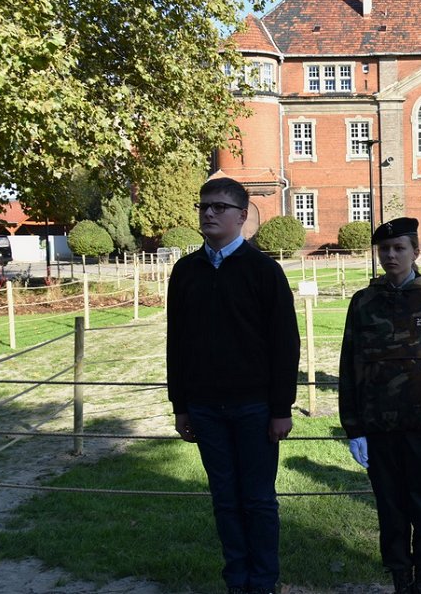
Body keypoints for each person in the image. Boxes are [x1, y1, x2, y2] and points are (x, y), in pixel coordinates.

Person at [166, 177, 300, 594]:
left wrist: (281, 408)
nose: (208, 213)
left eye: (219, 207)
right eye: (203, 205)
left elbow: (285, 344)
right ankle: (237, 581)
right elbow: (177, 344)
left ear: (242, 216)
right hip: (205, 408)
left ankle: (263, 582)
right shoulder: (185, 271)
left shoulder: (264, 271)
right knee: (225, 500)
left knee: (258, 500)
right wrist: (181, 406)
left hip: (255, 409)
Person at [339, 217, 421, 594]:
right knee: (390, 509)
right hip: (378, 428)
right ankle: (401, 578)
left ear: (416, 251)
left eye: (399, 248)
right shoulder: (363, 302)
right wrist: (354, 427)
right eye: (385, 249)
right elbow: (350, 365)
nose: (391, 256)